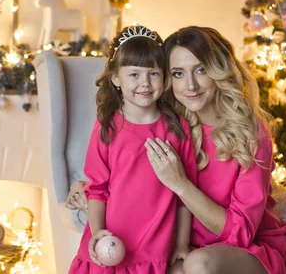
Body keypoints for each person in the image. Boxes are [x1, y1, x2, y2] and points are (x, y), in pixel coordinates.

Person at [68, 26, 286, 274]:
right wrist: (84, 187)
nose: (190, 85)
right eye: (178, 73)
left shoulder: (251, 133)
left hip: (242, 252)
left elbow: (241, 233)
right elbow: (128, 169)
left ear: (218, 70)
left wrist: (180, 184)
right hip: (183, 249)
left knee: (197, 265)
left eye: (201, 70)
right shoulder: (172, 122)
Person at [68, 25, 198, 273]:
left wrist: (181, 244)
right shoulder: (106, 128)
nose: (145, 83)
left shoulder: (177, 129)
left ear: (164, 77)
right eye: (134, 74)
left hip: (154, 248)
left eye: (153, 74)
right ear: (116, 78)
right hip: (111, 245)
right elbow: (97, 190)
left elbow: (185, 196)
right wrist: (98, 234)